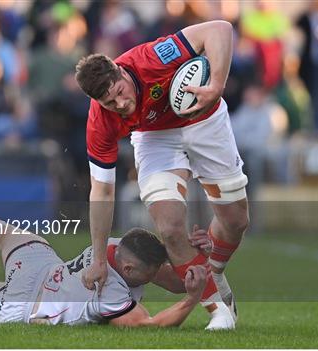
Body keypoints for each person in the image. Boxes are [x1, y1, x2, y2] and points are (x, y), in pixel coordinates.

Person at [75, 20, 249, 329]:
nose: (121, 104)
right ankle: (218, 310)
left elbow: (220, 29)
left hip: (205, 120)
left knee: (235, 221)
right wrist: (99, 259)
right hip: (154, 138)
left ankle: (215, 270)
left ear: (121, 71)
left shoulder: (152, 57)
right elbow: (101, 192)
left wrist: (217, 85)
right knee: (169, 228)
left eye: (120, 92)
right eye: (109, 103)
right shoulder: (100, 121)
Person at [0, 186, 208, 327]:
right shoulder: (116, 295)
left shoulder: (113, 244)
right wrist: (193, 299)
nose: (156, 278)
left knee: (2, 232)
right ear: (130, 267)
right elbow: (150, 326)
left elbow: (171, 281)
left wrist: (196, 263)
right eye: (150, 274)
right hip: (29, 309)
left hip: (43, 270)